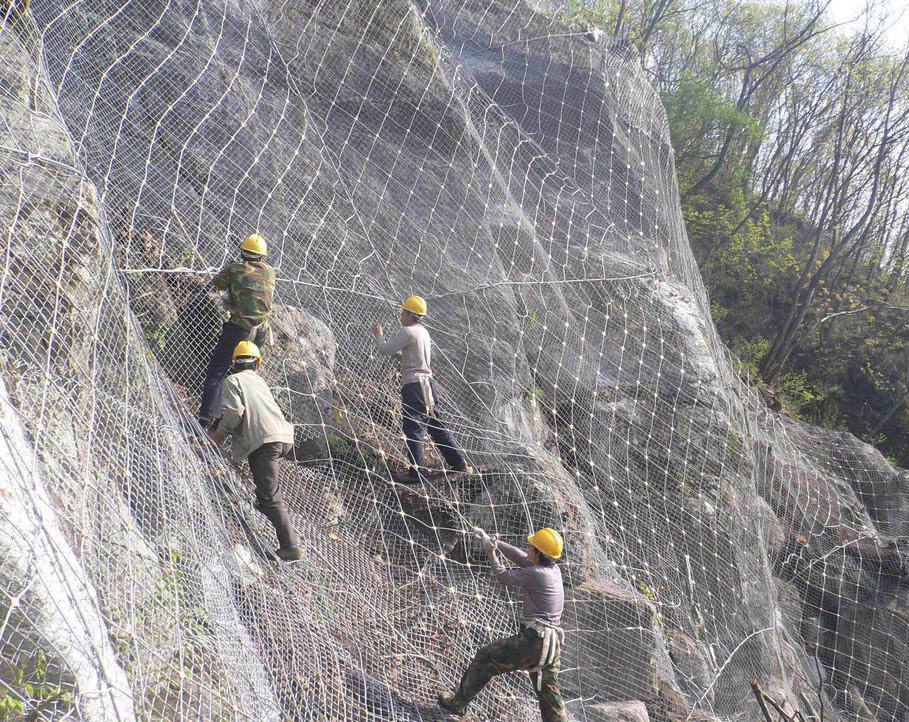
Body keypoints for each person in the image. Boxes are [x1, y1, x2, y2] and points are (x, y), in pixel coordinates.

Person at [437, 527, 567, 721]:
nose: (528, 549)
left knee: (485, 658)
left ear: (539, 553)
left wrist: (491, 553)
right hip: (551, 644)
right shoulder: (552, 570)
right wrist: (494, 541)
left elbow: (502, 577)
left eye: (531, 547)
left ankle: (458, 704)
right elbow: (522, 558)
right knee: (549, 695)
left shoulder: (536, 574)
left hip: (534, 641)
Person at [209, 341, 302, 562]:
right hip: (280, 435)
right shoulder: (259, 381)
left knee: (270, 497)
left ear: (234, 364)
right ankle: (263, 507)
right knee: (264, 494)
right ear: (257, 365)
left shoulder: (232, 380)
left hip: (264, 441)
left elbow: (234, 412)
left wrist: (217, 437)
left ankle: (290, 547)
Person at [372, 295, 471, 481]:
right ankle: (459, 463)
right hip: (428, 385)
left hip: (414, 386)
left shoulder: (407, 331)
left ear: (411, 314)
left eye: (403, 312)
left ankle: (417, 472)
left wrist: (379, 336)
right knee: (436, 425)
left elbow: (384, 349)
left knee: (413, 428)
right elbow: (408, 357)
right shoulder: (423, 332)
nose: (401, 315)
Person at [199, 233, 274, 429]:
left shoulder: (235, 269)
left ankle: (205, 421)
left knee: (218, 371)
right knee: (245, 378)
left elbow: (214, 286)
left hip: (238, 329)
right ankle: (231, 426)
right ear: (262, 256)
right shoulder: (270, 272)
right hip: (260, 332)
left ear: (243, 252)